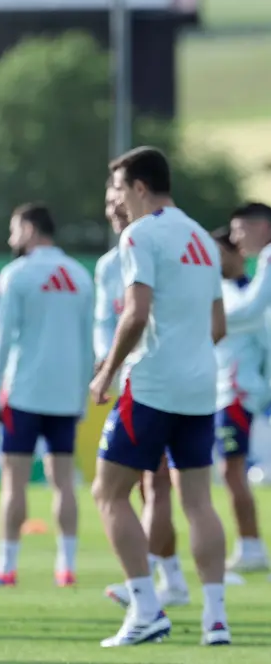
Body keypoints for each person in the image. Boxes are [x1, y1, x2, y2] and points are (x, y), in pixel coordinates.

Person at [89, 146, 230, 647]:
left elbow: (136, 312)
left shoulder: (139, 234)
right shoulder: (201, 238)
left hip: (151, 385)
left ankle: (146, 608)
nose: (119, 200)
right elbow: (218, 324)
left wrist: (106, 373)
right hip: (200, 387)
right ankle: (216, 619)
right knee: (198, 502)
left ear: (140, 187)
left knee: (108, 493)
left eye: (121, 189)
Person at [0, 204, 92, 589]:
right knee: (63, 483)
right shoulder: (79, 275)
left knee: (14, 482)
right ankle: (66, 567)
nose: (10, 239)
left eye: (13, 229)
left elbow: (2, 339)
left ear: (28, 228)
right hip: (65, 395)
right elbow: (87, 343)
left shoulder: (17, 274)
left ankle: (6, 567)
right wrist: (82, 397)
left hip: (24, 391)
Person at [97, 180, 190, 608]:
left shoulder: (153, 246)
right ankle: (168, 580)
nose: (116, 208)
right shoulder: (108, 265)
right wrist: (108, 364)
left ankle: (157, 586)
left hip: (154, 380)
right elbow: (105, 323)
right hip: (135, 378)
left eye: (120, 198)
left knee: (148, 486)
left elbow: (143, 317)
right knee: (147, 487)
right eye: (111, 203)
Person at [209, 225, 269, 573]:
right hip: (220, 392)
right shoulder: (223, 292)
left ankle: (251, 545)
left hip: (236, 392)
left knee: (232, 470)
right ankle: (249, 544)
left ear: (235, 254)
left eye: (219, 253)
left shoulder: (244, 297)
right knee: (229, 471)